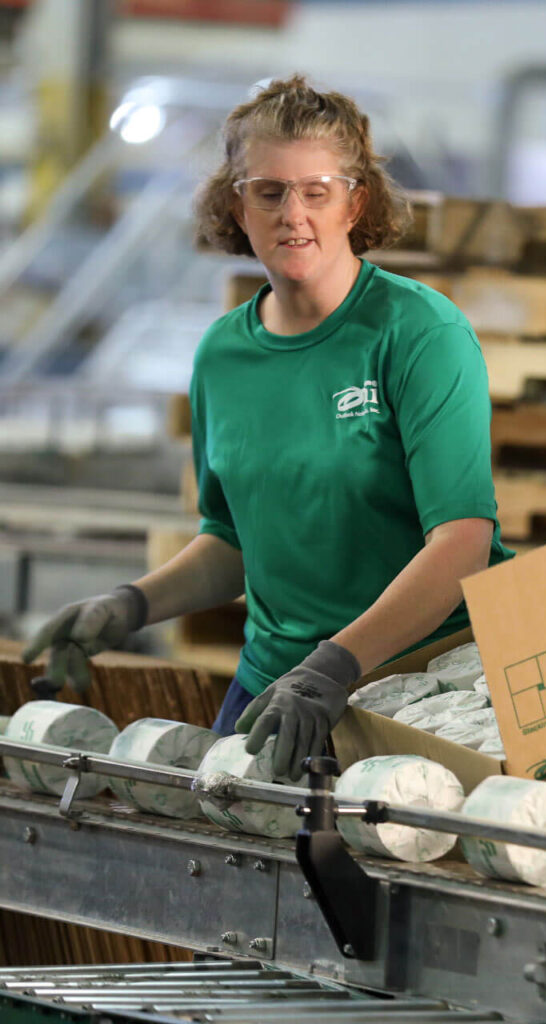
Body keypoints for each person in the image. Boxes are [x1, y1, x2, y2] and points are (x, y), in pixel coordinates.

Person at [21, 73, 512, 781]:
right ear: (236, 205)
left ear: (356, 202)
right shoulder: (224, 353)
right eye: (269, 191)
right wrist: (129, 605)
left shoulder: (417, 333)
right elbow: (230, 543)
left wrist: (335, 666)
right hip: (275, 688)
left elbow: (462, 542)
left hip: (423, 684)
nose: (293, 214)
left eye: (317, 191)